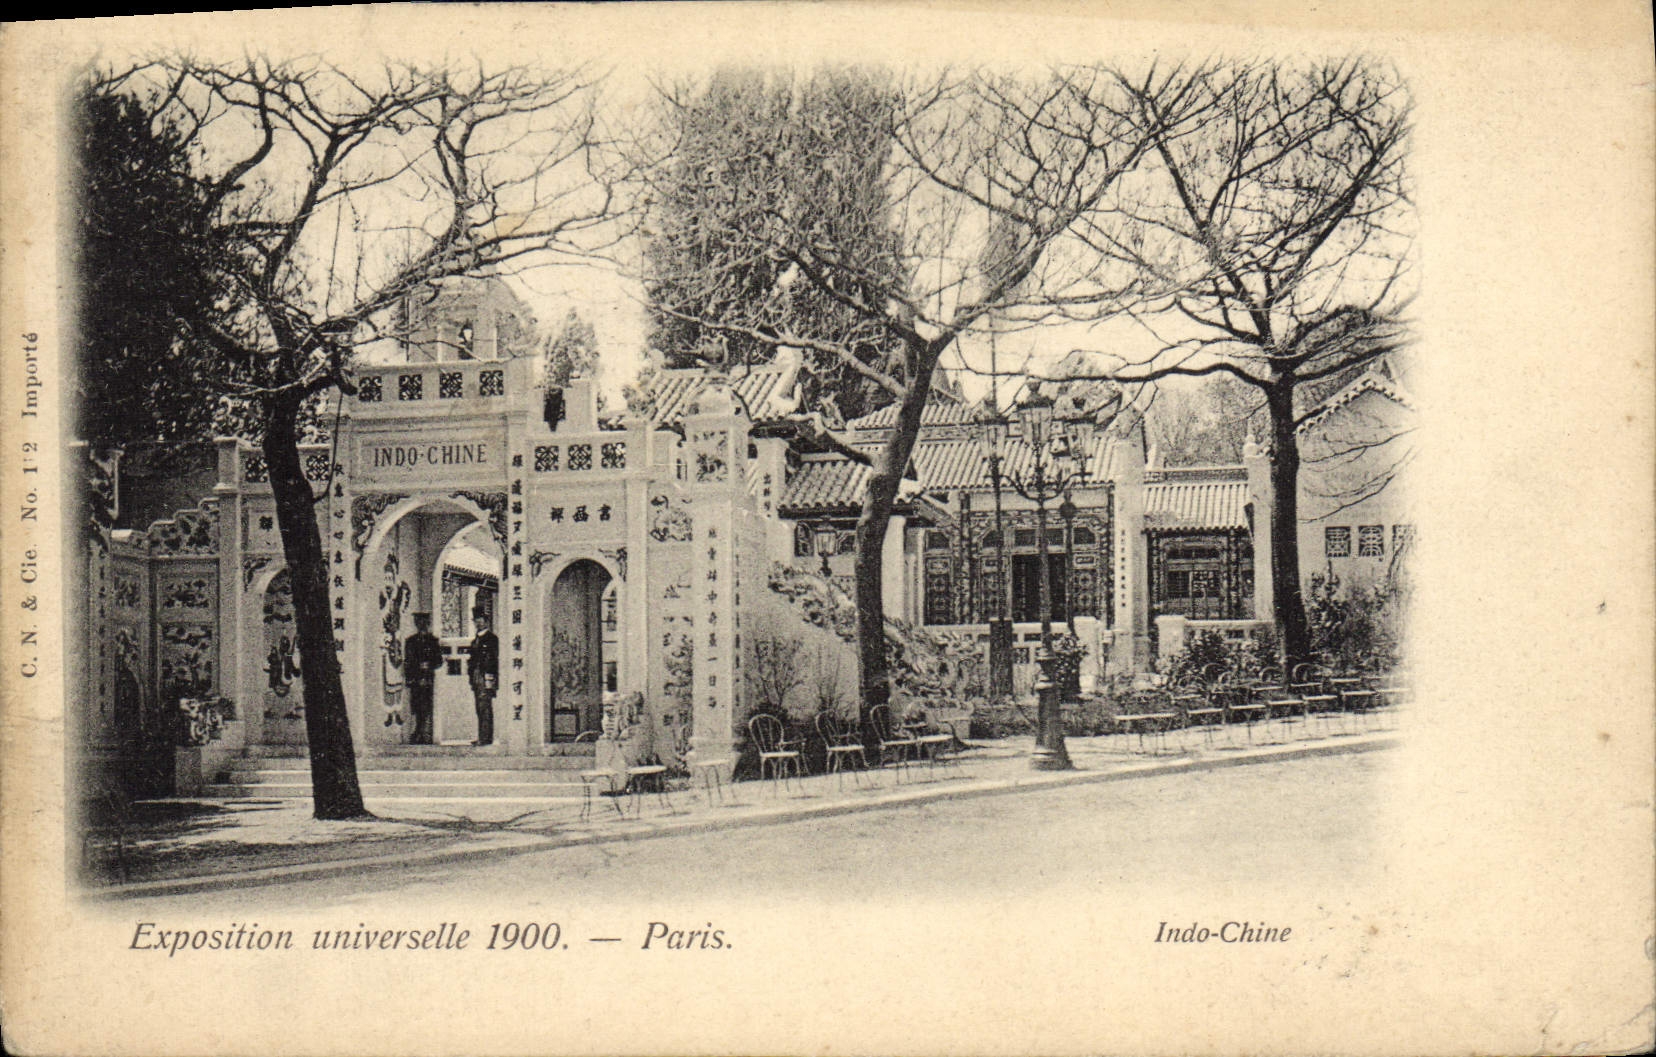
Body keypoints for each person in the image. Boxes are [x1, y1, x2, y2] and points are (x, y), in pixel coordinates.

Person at [404, 613, 442, 745]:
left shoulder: (433, 641)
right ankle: (418, 732)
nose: (422, 625)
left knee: (426, 706)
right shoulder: (411, 641)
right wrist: (411, 676)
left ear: (428, 624)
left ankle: (424, 733)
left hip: (427, 679)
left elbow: (439, 661)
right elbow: (408, 661)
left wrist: (429, 665)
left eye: (424, 622)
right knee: (416, 706)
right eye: (419, 622)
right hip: (415, 678)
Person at [467, 607, 499, 746]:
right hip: (476, 675)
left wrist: (491, 678)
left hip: (486, 675)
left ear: (486, 621)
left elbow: (494, 659)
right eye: (476, 621)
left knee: (485, 706)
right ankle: (482, 735)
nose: (478, 623)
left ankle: (486, 738)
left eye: (480, 620)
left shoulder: (492, 639)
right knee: (479, 707)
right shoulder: (475, 640)